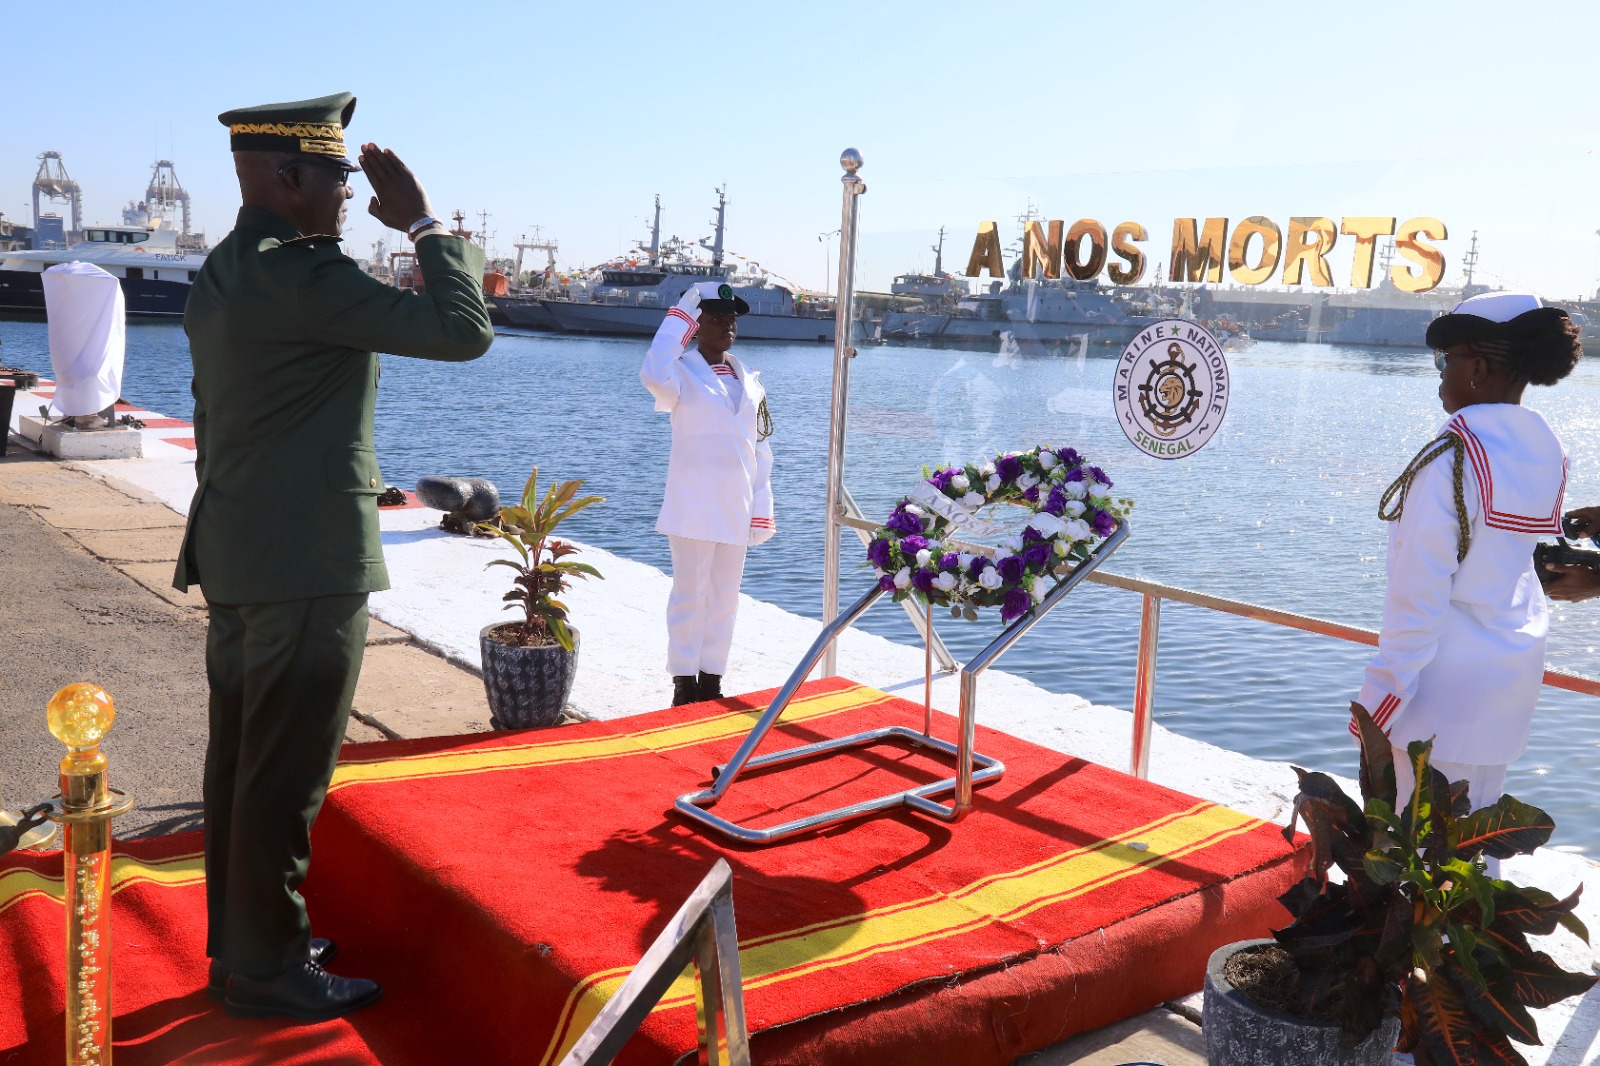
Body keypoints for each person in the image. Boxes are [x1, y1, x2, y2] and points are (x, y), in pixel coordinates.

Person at [172, 92, 494, 1020]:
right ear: (287, 176)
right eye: (336, 177)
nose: (350, 195)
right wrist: (429, 227)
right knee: (287, 771)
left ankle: (244, 946)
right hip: (307, 558)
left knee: (240, 760)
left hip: (239, 546)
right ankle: (268, 967)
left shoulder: (229, 267)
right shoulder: (307, 277)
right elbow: (462, 332)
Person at [1350, 292, 1581, 840]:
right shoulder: (1549, 454)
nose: (1440, 375)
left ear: (1477, 368)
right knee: (1476, 848)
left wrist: (1377, 705)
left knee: (1414, 860)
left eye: (1445, 360)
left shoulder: (1450, 460)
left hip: (1437, 692)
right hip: (1506, 685)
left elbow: (1418, 600)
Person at [640, 282, 775, 706]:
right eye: (717, 319)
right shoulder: (680, 373)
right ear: (697, 327)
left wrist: (761, 507)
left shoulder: (750, 381)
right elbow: (652, 374)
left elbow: (760, 451)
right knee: (689, 596)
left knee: (725, 599)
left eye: (731, 320)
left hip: (735, 508)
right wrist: (677, 319)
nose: (727, 327)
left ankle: (712, 676)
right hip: (693, 507)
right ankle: (684, 681)